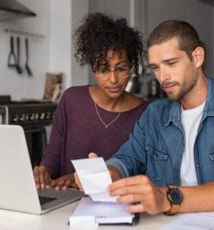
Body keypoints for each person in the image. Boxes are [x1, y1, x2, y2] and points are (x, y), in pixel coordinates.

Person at [77, 20, 214, 215]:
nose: (163, 76)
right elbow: (126, 160)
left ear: (197, 57)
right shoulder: (154, 114)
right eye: (156, 67)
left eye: (171, 63)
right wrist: (103, 174)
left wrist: (167, 198)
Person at [34, 12, 147, 190]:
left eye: (121, 68)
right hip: (64, 201)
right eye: (103, 69)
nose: (113, 79)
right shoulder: (72, 100)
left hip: (113, 206)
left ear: (131, 66)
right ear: (92, 68)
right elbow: (53, 156)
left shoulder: (144, 114)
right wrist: (44, 171)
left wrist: (81, 178)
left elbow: (137, 171)